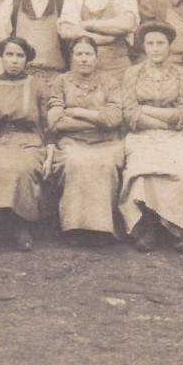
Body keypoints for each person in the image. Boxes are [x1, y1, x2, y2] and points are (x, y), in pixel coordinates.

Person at [118, 21, 183, 253]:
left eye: (161, 43)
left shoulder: (182, 74)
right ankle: (148, 226)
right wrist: (163, 118)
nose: (156, 48)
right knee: (143, 169)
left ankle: (178, 228)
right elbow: (130, 114)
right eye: (150, 44)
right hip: (143, 136)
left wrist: (147, 110)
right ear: (143, 47)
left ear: (169, 46)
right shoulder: (132, 74)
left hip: (175, 136)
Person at [0, 37, 52, 253]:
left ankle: (20, 226)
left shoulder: (37, 86)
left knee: (21, 169)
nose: (14, 61)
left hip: (29, 143)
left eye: (19, 56)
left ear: (26, 60)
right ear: (1, 57)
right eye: (9, 55)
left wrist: (50, 156)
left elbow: (48, 126)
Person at [46, 37, 124, 243]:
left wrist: (78, 112)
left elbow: (115, 118)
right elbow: (55, 121)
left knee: (105, 164)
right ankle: (75, 228)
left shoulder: (109, 82)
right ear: (71, 57)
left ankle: (103, 229)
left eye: (88, 54)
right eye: (78, 54)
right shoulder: (61, 81)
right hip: (72, 142)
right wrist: (99, 119)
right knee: (75, 163)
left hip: (106, 142)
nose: (83, 59)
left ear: (97, 58)